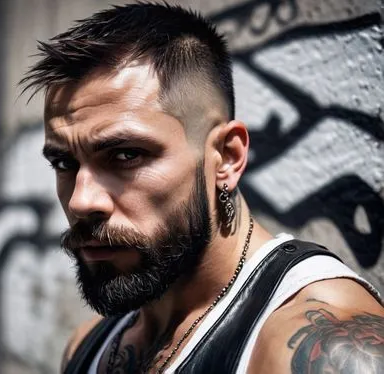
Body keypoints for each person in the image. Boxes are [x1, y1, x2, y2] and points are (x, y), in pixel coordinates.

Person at [21, 3, 384, 373]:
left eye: (125, 155)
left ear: (226, 157)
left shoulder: (320, 351)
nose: (82, 201)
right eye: (64, 163)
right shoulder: (88, 347)